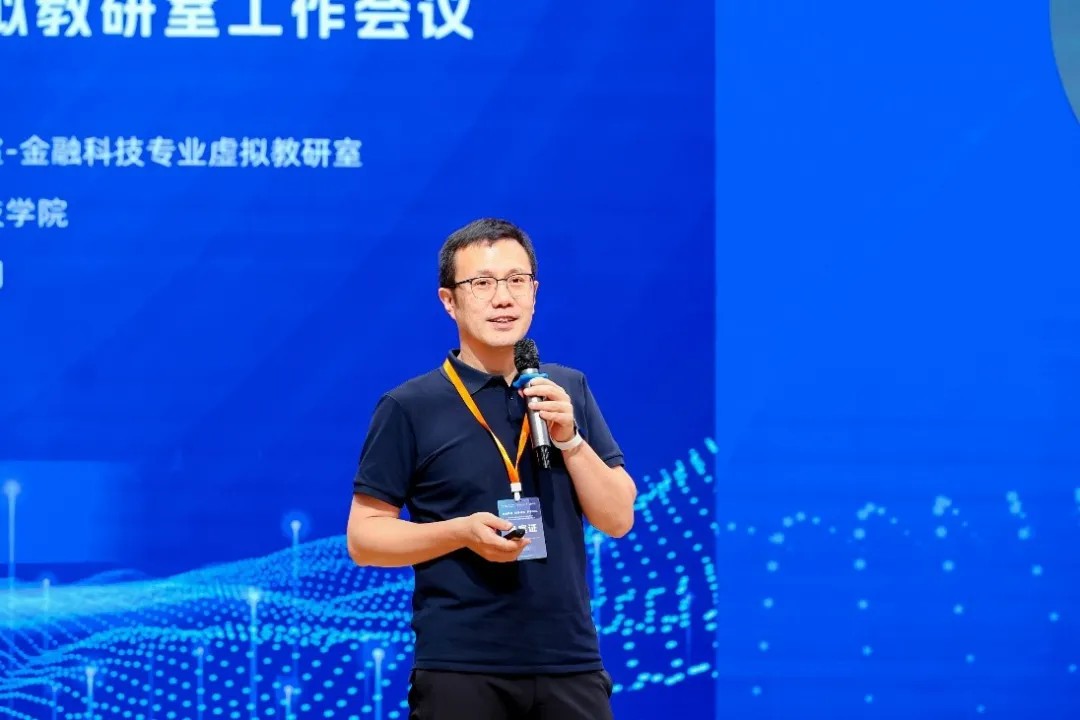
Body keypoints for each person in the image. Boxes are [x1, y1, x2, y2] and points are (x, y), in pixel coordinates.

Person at [346, 217, 637, 720]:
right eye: (482, 283)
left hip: (570, 665)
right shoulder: (410, 406)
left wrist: (570, 440)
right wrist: (460, 532)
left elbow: (617, 518)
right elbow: (365, 538)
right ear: (449, 301)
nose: (503, 298)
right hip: (461, 669)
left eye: (516, 281)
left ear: (534, 292)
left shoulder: (566, 389)